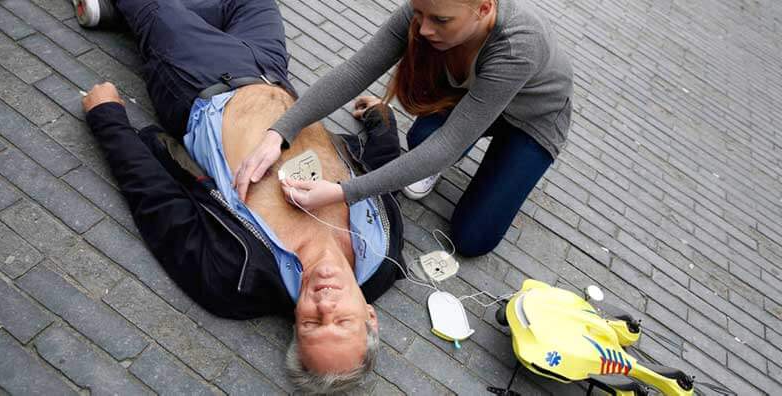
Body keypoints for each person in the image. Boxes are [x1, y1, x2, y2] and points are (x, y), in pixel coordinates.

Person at [74, 0, 404, 392]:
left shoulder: (234, 280)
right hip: (272, 73)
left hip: (199, 82)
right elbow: (385, 178)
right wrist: (381, 120)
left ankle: (139, 15)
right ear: (370, 316)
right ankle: (130, 17)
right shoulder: (384, 250)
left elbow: (159, 205)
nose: (325, 305)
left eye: (313, 323)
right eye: (342, 321)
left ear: (297, 321)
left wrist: (108, 120)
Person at [238, 0, 574, 257]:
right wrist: (280, 132)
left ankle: (456, 163)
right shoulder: (427, 8)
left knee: (473, 238)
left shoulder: (518, 45)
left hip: (531, 121)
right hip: (477, 101)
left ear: (484, 9)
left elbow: (450, 143)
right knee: (422, 139)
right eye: (418, 13)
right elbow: (356, 71)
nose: (424, 29)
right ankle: (429, 161)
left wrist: (344, 192)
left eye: (440, 21)